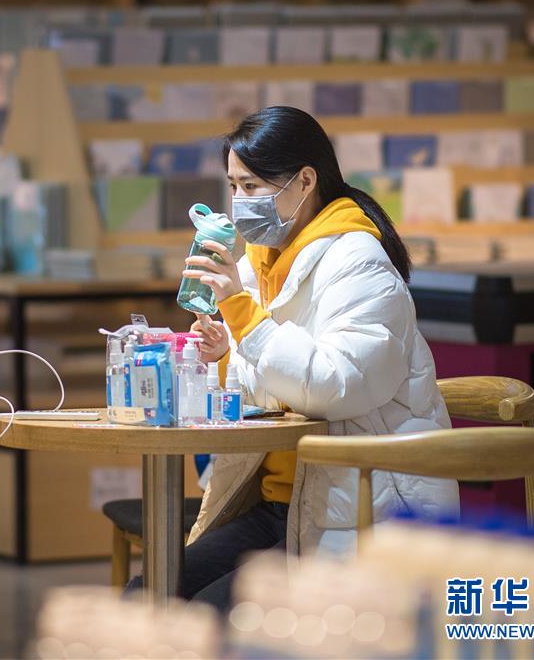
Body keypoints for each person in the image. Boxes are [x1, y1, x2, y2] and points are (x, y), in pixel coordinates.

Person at [128, 106, 460, 611]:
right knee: (148, 594)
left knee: (210, 615)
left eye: (253, 186)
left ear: (305, 181)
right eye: (234, 186)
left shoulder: (359, 263)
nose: (240, 202)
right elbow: (273, 390)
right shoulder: (258, 264)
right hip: (280, 503)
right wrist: (224, 357)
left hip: (358, 509)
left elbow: (335, 385)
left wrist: (244, 317)